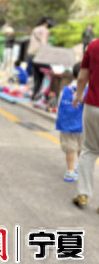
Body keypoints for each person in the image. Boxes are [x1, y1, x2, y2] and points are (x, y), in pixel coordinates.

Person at [72, 38, 99, 209]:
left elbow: (82, 77)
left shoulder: (93, 46)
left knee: (89, 150)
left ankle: (83, 194)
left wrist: (79, 95)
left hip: (93, 105)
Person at [56, 63, 87, 182]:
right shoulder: (88, 89)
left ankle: (70, 171)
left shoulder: (65, 89)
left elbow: (60, 104)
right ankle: (81, 168)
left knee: (70, 149)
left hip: (67, 124)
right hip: (83, 124)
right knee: (82, 148)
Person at [27, 17, 54, 100]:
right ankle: (44, 96)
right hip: (39, 56)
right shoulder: (45, 30)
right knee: (50, 73)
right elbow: (43, 44)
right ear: (46, 23)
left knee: (38, 77)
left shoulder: (35, 29)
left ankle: (34, 95)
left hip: (31, 56)